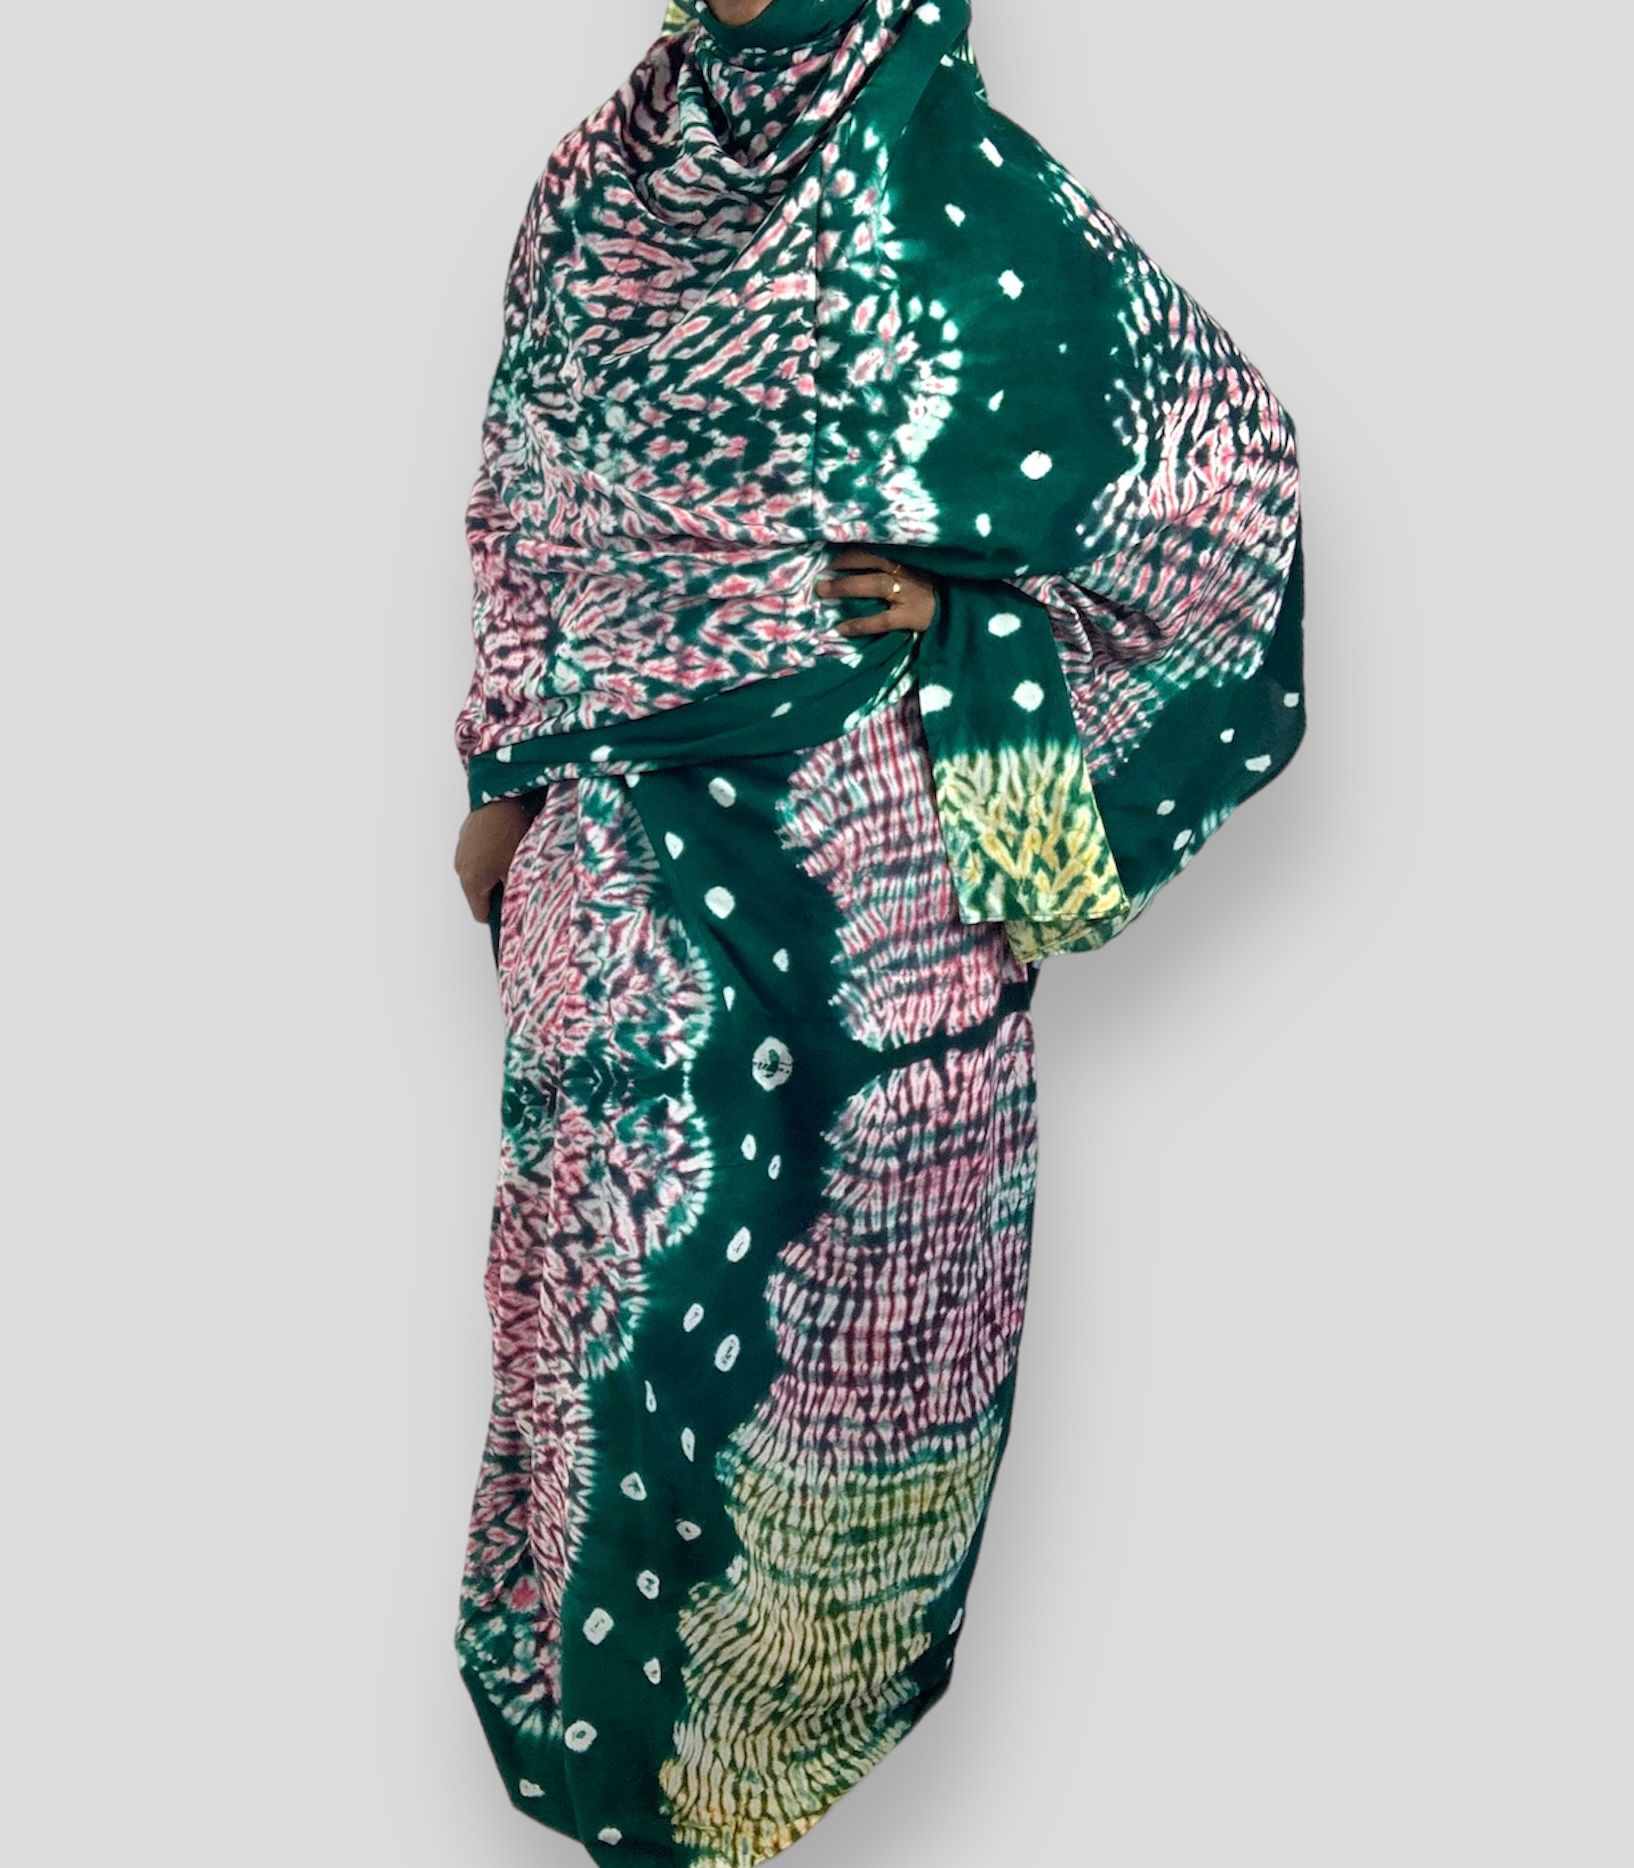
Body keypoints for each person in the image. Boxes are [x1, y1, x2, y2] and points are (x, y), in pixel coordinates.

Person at [449, 4, 1304, 1864]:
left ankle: (789, 1733)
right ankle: (611, 1731)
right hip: (618, 864)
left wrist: (974, 618)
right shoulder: (593, 186)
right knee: (611, 1307)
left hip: (873, 874)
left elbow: (1220, 487)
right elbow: (528, 498)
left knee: (851, 1325)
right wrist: (504, 764)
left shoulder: (949, 182)